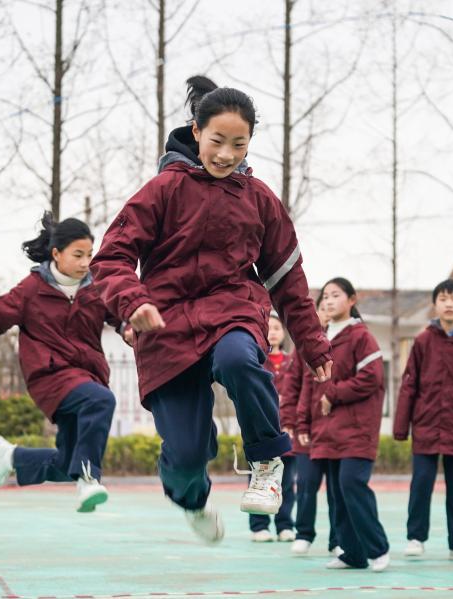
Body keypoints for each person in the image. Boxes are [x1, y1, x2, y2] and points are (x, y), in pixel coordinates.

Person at [90, 75, 332, 544]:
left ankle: (266, 462)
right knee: (185, 454)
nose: (226, 155)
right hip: (166, 325)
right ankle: (192, 497)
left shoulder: (259, 199)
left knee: (239, 358)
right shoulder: (161, 191)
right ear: (197, 132)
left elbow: (287, 279)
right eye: (217, 141)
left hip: (232, 310)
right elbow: (112, 258)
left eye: (239, 145)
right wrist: (132, 302)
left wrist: (313, 342)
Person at [0, 213, 123, 512]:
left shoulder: (95, 287)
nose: (86, 262)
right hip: (50, 375)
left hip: (87, 376)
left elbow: (118, 315)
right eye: (78, 255)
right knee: (102, 402)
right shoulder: (32, 289)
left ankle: (11, 456)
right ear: (56, 254)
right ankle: (89, 478)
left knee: (64, 464)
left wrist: (131, 330)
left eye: (89, 255)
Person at [393, 278, 453, 563]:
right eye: (443, 299)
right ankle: (415, 538)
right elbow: (409, 385)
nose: (449, 304)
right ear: (435, 305)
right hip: (426, 426)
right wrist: (402, 427)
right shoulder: (422, 341)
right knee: (421, 485)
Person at [298, 277, 389, 572]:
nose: (328, 300)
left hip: (356, 429)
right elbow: (310, 387)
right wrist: (306, 423)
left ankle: (378, 548)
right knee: (337, 492)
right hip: (327, 430)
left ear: (352, 300)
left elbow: (372, 377)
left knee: (352, 484)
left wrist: (333, 394)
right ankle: (352, 553)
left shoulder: (361, 336)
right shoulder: (321, 339)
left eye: (335, 295)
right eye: (324, 296)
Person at [286, 298, 339, 556]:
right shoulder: (304, 345)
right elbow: (291, 386)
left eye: (333, 300)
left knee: (337, 489)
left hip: (337, 428)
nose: (328, 307)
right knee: (306, 482)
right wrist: (289, 421)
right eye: (324, 302)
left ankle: (337, 540)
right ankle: (304, 534)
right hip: (306, 428)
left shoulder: (347, 341)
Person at [249, 312, 297, 542]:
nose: (273, 332)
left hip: (287, 430)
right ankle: (259, 526)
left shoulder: (292, 362)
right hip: (261, 431)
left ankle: (284, 525)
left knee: (287, 482)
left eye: (277, 328)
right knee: (259, 477)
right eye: (269, 328)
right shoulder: (255, 360)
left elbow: (296, 396)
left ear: (284, 333)